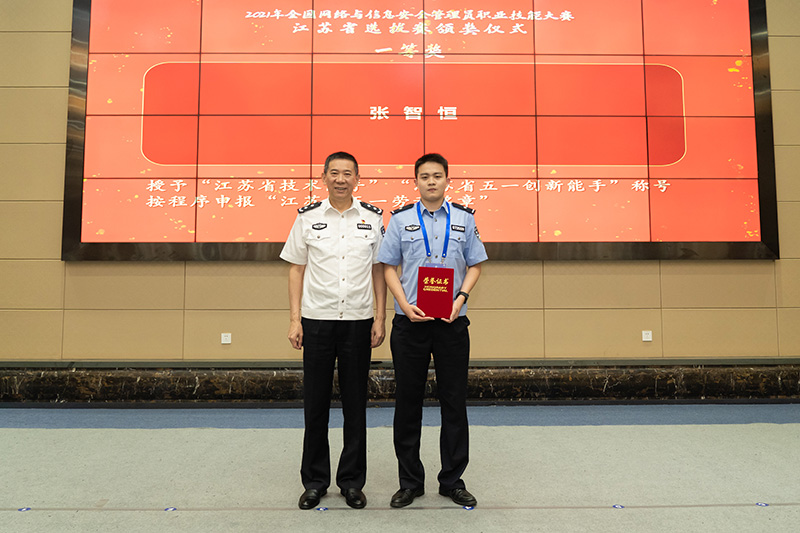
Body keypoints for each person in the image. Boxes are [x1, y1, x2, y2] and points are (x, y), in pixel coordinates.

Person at [377, 153, 488, 508]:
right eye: (424, 176)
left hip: (451, 323)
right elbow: (388, 266)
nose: (431, 182)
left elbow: (475, 265)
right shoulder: (401, 219)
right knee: (407, 403)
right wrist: (403, 304)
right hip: (410, 323)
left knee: (454, 402)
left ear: (447, 180)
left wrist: (461, 297)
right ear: (416, 181)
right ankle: (410, 482)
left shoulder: (465, 219)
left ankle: (452, 481)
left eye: (437, 176)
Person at [280, 151, 386, 510]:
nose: (341, 179)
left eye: (348, 174)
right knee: (316, 405)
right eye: (335, 173)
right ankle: (314, 481)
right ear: (323, 177)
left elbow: (379, 270)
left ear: (357, 178)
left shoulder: (372, 218)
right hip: (317, 321)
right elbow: (296, 269)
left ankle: (352, 482)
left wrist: (380, 317)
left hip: (358, 321)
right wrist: (295, 319)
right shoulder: (307, 217)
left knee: (356, 406)